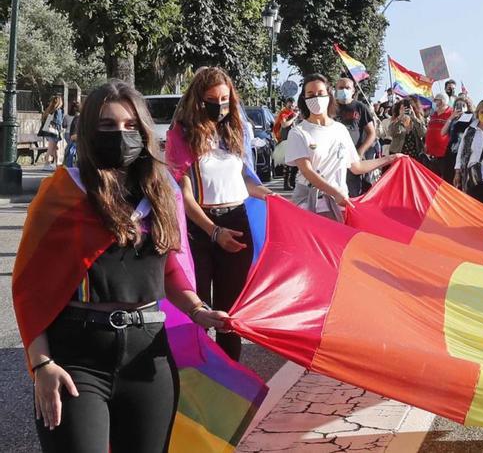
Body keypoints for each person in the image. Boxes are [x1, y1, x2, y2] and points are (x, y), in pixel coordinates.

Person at [15, 81, 230, 452]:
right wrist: (42, 364)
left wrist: (198, 309)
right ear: (87, 132)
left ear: (145, 132)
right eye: (108, 126)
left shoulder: (163, 191)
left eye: (131, 126)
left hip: (149, 359)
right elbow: (29, 288)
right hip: (75, 360)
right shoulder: (63, 191)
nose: (121, 135)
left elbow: (170, 269)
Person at [165, 67, 273, 361]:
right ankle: (196, 375)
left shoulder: (235, 129)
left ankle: (230, 378)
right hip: (199, 229)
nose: (221, 105)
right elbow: (184, 194)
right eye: (213, 99)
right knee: (198, 307)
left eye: (225, 98)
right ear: (198, 100)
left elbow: (246, 180)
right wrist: (214, 231)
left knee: (230, 312)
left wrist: (269, 196)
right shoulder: (181, 134)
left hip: (237, 223)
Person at [286, 74, 399, 220]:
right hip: (310, 205)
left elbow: (356, 166)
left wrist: (390, 158)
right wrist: (334, 192)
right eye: (310, 94)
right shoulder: (299, 132)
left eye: (320, 93)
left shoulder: (339, 129)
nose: (316, 98)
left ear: (329, 95)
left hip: (339, 205)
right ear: (304, 99)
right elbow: (307, 171)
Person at [332, 77, 378, 197]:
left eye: (347, 88)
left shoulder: (360, 107)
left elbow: (372, 133)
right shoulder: (329, 107)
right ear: (335, 90)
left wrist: (360, 152)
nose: (344, 90)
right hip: (333, 159)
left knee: (353, 194)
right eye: (340, 88)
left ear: (353, 91)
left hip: (353, 159)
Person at [425, 95, 455, 180]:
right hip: (431, 153)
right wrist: (426, 144)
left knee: (445, 180)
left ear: (442, 101)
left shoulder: (451, 112)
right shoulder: (434, 114)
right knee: (432, 179)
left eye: (436, 100)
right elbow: (429, 129)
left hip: (444, 153)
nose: (435, 103)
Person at [39, 96, 65, 169]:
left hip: (49, 131)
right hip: (54, 132)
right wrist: (60, 129)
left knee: (55, 148)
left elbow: (45, 121)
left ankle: (57, 164)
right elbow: (58, 122)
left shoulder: (50, 109)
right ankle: (46, 164)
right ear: (60, 102)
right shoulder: (58, 111)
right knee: (51, 149)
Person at [63, 100, 82, 168]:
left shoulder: (67, 116)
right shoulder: (80, 117)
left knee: (70, 150)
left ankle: (69, 166)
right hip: (75, 135)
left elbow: (63, 125)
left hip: (69, 134)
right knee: (73, 151)